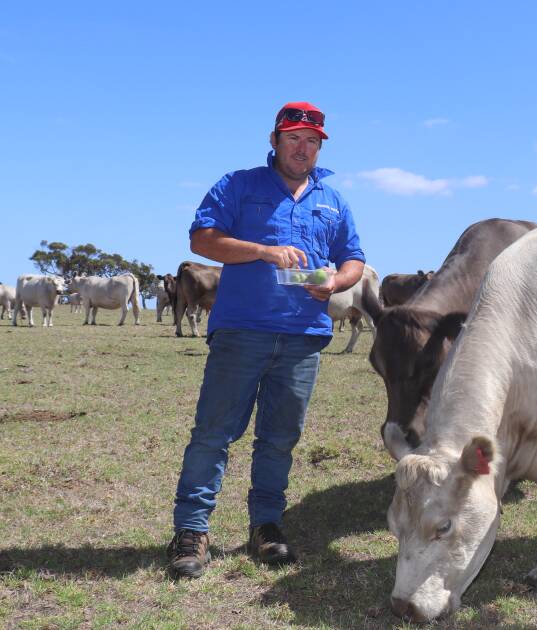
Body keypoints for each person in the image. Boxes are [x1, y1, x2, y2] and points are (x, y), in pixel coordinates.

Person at [166, 101, 366, 580]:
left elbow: (353, 258)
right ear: (274, 141)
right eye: (293, 138)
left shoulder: (333, 200)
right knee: (214, 434)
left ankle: (266, 527)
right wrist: (263, 251)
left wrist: (336, 284)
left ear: (321, 146)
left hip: (303, 339)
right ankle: (191, 532)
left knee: (279, 439)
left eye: (312, 141)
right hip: (242, 332)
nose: (303, 148)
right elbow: (203, 240)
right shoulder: (239, 185)